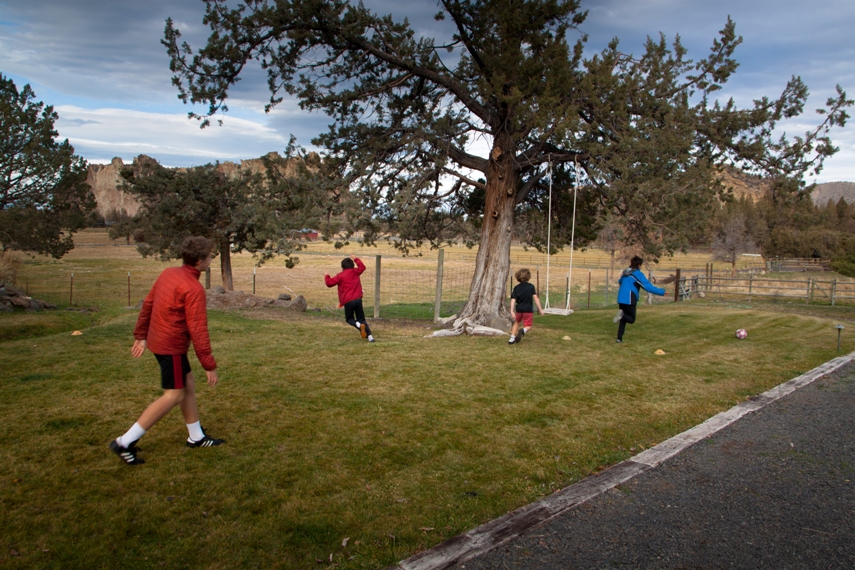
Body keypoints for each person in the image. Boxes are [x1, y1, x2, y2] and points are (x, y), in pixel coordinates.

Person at [109, 236, 224, 466]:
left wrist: (141, 335)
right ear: (200, 261)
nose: (212, 259)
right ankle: (124, 442)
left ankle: (196, 437)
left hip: (161, 342)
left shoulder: (169, 273)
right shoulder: (193, 289)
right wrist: (209, 365)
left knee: (187, 384)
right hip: (170, 346)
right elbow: (198, 330)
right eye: (211, 256)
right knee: (174, 395)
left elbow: (148, 304)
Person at [614, 255, 665, 343]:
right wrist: (662, 292)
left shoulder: (626, 272)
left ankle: (619, 338)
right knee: (631, 319)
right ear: (639, 265)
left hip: (621, 298)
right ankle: (621, 316)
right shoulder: (638, 274)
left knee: (623, 318)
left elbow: (620, 281)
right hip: (630, 298)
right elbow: (647, 287)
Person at [325, 255, 374, 342]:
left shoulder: (340, 276)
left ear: (342, 267)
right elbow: (362, 267)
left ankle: (358, 325)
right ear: (352, 265)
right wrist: (356, 258)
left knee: (349, 319)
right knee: (362, 319)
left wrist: (327, 276)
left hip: (348, 301)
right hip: (358, 299)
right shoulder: (355, 272)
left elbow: (329, 283)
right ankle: (370, 337)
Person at [508, 268, 544, 345]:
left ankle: (511, 339)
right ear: (528, 277)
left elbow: (513, 299)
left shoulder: (516, 288)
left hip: (519, 309)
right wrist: (540, 309)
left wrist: (511, 310)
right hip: (528, 310)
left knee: (516, 322)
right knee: (528, 325)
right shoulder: (531, 287)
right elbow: (535, 298)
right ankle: (523, 331)